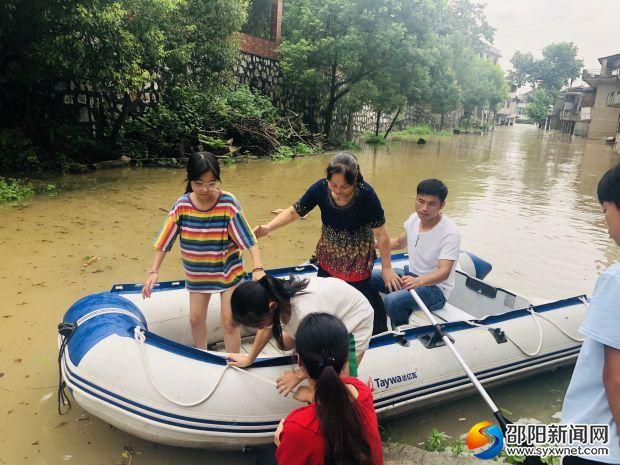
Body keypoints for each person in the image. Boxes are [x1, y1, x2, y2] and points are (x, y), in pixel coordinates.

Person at [253, 152, 401, 334]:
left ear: (355, 180)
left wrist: (387, 268)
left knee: (361, 295)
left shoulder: (366, 195)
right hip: (328, 254)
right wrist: (268, 228)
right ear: (327, 179)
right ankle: (327, 333)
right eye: (333, 185)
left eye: (345, 187)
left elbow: (382, 235)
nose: (338, 191)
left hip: (356, 260)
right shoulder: (320, 189)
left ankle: (380, 332)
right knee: (324, 295)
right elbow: (294, 212)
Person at [142, 151, 266, 352]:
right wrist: (154, 271)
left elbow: (249, 239)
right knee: (195, 319)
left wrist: (258, 268)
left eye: (211, 183)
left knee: (228, 320)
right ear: (190, 180)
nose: (205, 189)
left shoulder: (227, 203)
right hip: (198, 275)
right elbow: (164, 241)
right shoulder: (182, 205)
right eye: (199, 184)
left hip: (228, 273)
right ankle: (203, 355)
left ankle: (233, 363)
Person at [561, 163, 620, 465]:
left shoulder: (615, 280)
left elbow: (615, 376)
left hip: (596, 446)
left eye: (605, 212)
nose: (606, 225)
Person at [227, 274, 373, 394]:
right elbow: (267, 327)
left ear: (272, 307)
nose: (260, 327)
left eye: (259, 324)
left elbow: (322, 354)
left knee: (340, 381)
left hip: (352, 319)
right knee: (283, 344)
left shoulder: (304, 312)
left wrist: (298, 375)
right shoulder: (271, 292)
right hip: (326, 311)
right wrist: (250, 358)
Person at [274, 312, 383, 465]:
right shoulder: (362, 392)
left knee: (268, 455)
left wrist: (282, 442)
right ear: (345, 359)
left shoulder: (297, 427)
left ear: (299, 361)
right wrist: (312, 397)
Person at [370, 179, 461, 328]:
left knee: (392, 301)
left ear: (442, 205)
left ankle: (401, 331)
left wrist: (419, 281)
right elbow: (399, 243)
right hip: (410, 276)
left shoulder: (450, 233)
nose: (424, 208)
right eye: (421, 201)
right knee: (367, 277)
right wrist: (373, 244)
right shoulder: (414, 218)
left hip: (435, 290)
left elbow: (444, 272)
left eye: (432, 204)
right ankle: (378, 324)